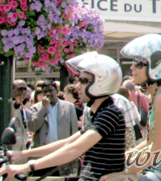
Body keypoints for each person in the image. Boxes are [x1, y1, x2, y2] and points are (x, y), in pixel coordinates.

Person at [0, 52, 125, 181]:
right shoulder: (98, 114)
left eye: (83, 81)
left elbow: (75, 149)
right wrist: (22, 154)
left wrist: (27, 167)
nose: (77, 86)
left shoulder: (109, 113)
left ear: (101, 83)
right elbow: (68, 142)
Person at [102, 34, 161, 181]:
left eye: (138, 63)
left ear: (156, 66)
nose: (132, 67)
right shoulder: (156, 95)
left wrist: (125, 171)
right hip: (160, 169)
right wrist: (124, 156)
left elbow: (157, 150)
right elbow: (150, 141)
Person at [28, 80, 78, 151]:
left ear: (57, 91)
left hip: (63, 150)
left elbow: (74, 132)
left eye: (50, 90)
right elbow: (33, 127)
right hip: (42, 151)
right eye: (45, 91)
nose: (48, 94)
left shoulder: (69, 107)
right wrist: (43, 108)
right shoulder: (35, 108)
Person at [8, 80, 30, 163]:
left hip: (22, 149)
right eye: (20, 89)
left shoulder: (22, 107)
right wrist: (17, 102)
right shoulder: (9, 105)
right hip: (12, 149)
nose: (23, 92)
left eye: (25, 89)